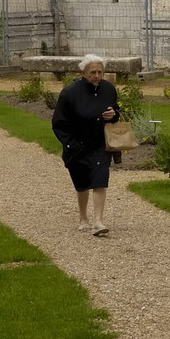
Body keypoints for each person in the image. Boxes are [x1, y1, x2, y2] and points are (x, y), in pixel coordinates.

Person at [51, 55, 121, 237]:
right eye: (93, 72)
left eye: (100, 72)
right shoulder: (70, 92)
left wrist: (113, 114)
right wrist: (69, 144)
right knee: (82, 184)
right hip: (77, 145)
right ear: (83, 73)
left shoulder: (108, 89)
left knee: (100, 179)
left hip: (100, 143)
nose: (97, 76)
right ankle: (83, 218)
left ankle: (98, 221)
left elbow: (115, 112)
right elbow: (59, 123)